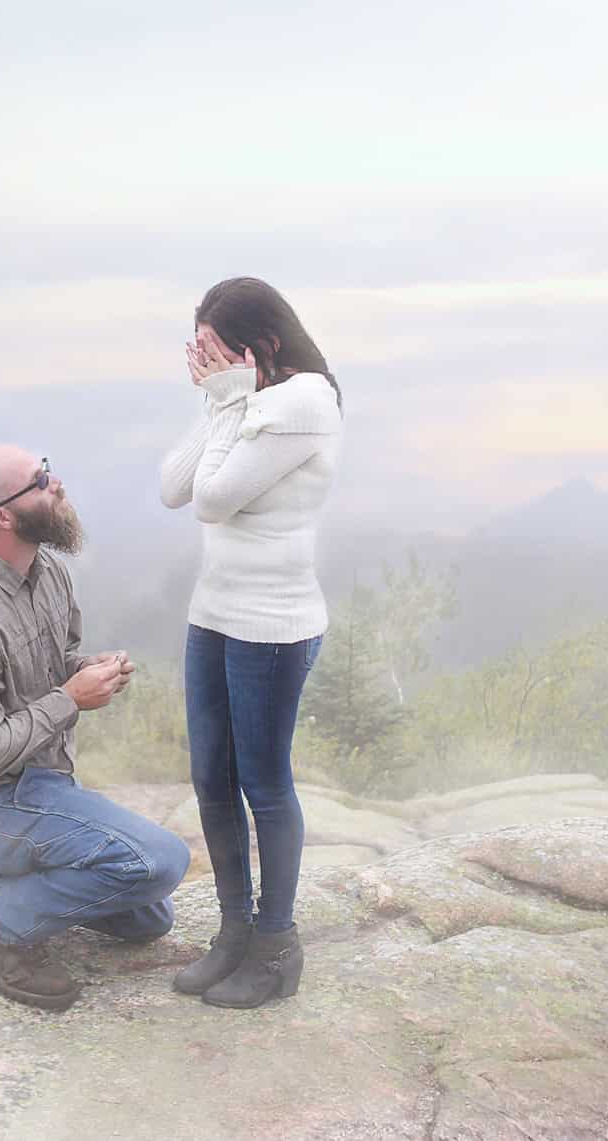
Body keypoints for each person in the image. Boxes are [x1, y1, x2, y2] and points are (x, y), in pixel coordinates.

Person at [0, 443, 190, 1012]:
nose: (57, 484)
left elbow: (53, 663)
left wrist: (84, 671)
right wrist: (69, 700)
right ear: (2, 516)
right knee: (156, 863)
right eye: (41, 480)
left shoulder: (50, 574)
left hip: (44, 786)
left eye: (48, 469)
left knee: (148, 918)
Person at [159, 277, 342, 1009]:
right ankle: (234, 930)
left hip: (274, 622)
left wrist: (232, 398)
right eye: (196, 350)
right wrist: (222, 397)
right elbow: (174, 484)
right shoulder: (246, 400)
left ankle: (276, 945)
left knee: (264, 785)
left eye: (213, 348)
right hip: (216, 612)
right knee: (211, 775)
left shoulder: (305, 402)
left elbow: (212, 499)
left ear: (258, 342)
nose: (203, 362)